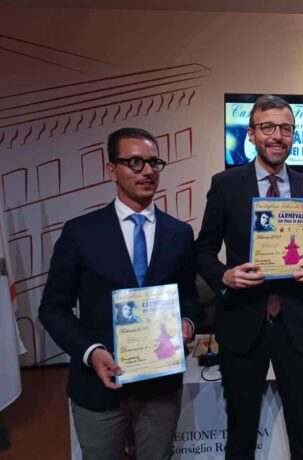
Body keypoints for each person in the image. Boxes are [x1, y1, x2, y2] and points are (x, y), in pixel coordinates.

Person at [38, 127, 200, 460]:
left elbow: (189, 297)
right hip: (98, 385)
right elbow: (53, 308)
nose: (147, 171)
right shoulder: (80, 232)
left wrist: (187, 321)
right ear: (112, 169)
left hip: (160, 385)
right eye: (135, 162)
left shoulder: (179, 233)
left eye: (154, 162)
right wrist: (91, 351)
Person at [196, 95, 303, 459]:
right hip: (242, 325)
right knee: (241, 435)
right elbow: (203, 250)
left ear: (293, 135)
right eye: (267, 127)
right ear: (252, 135)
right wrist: (224, 276)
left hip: (295, 325)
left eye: (286, 128)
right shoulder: (226, 185)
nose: (277, 136)